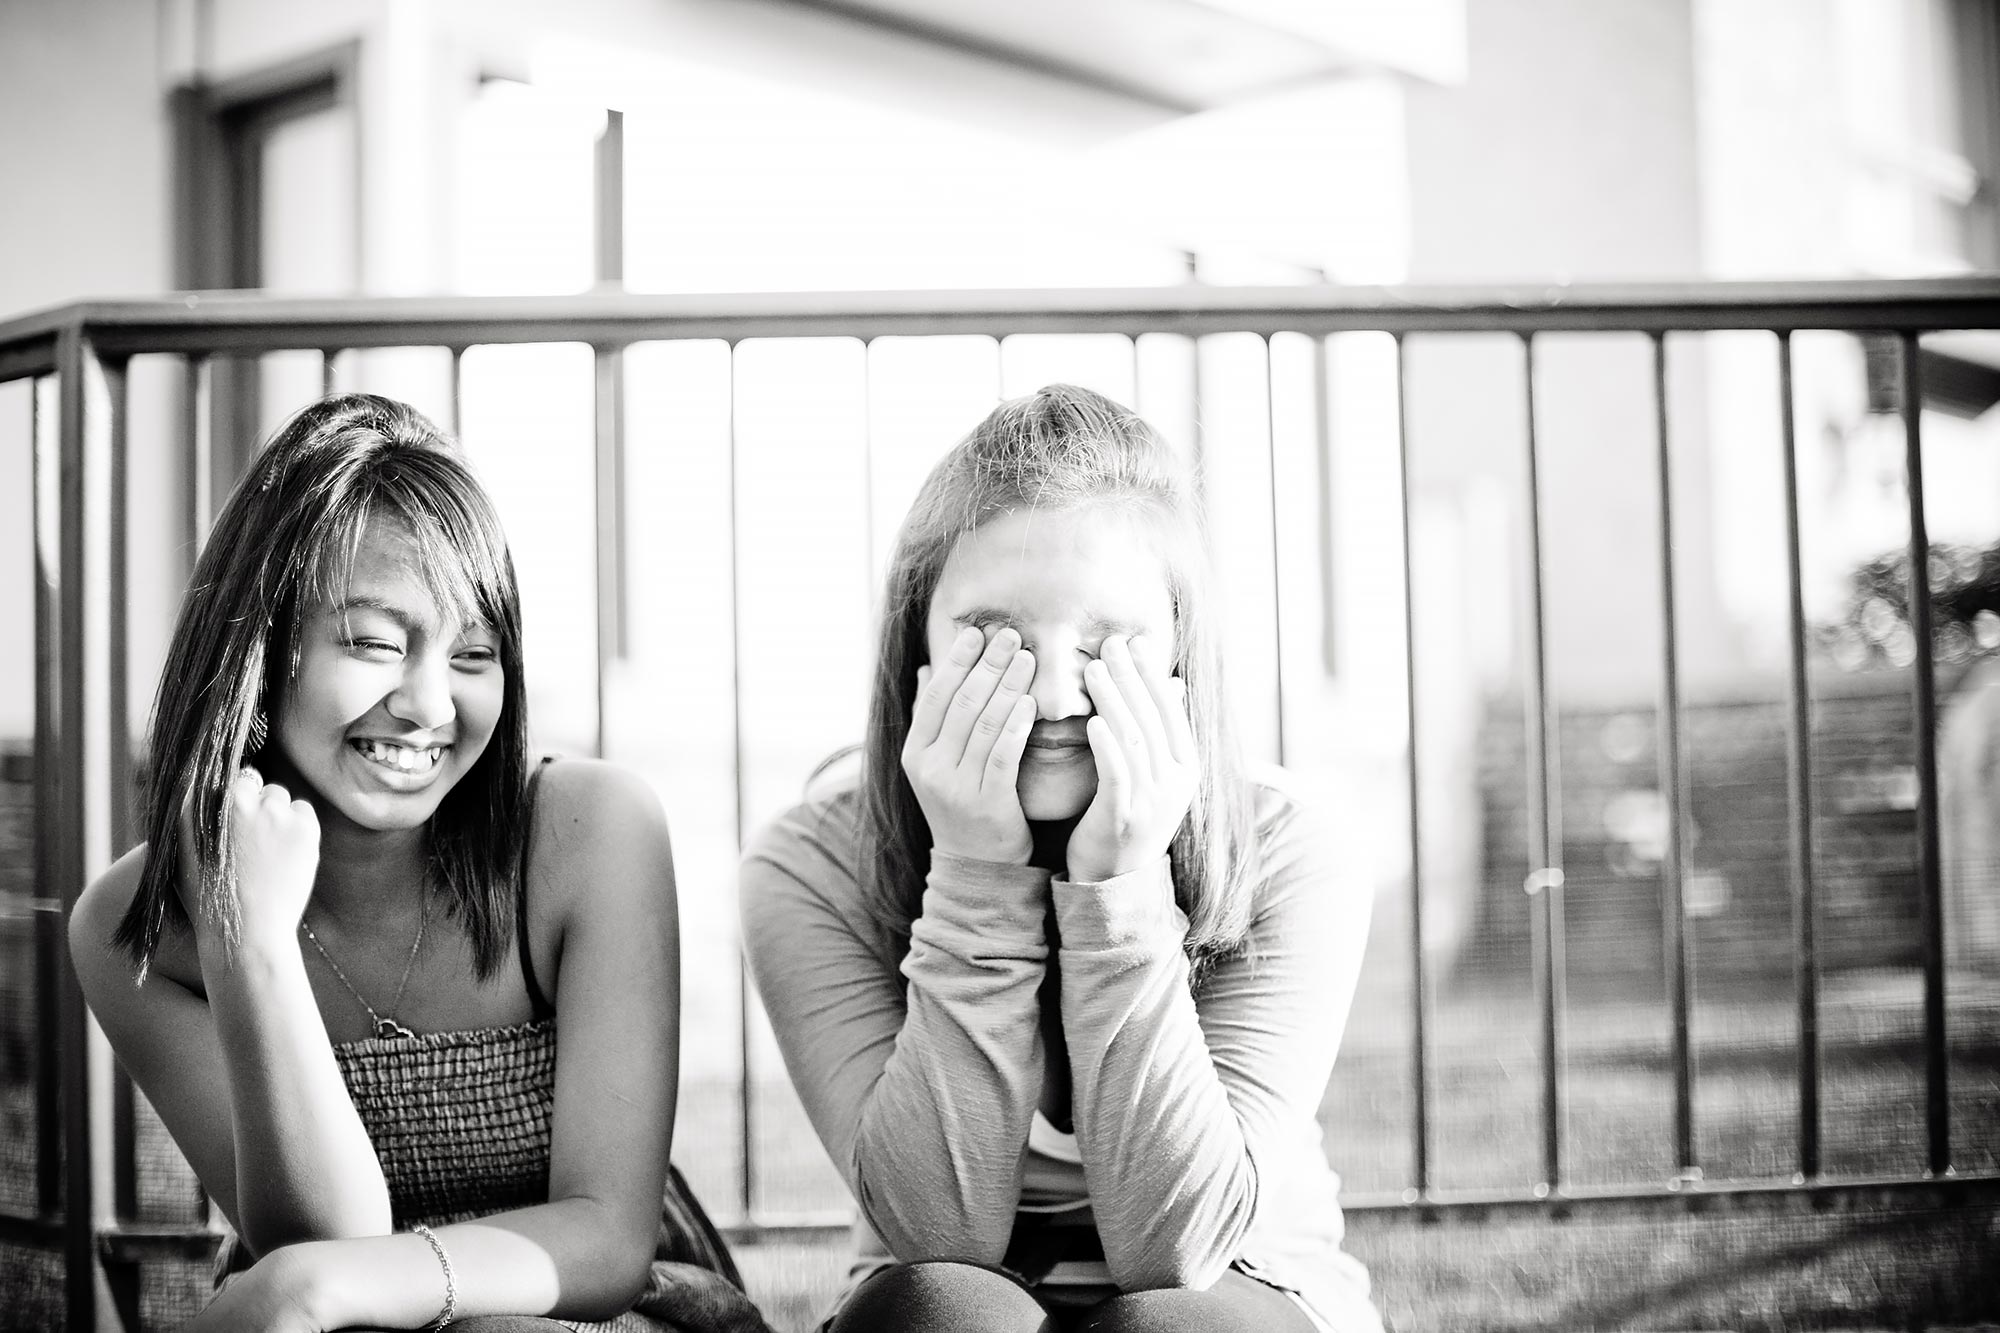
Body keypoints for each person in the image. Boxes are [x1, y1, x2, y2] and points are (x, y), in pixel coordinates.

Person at [69, 394, 770, 1333]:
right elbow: (315, 1236)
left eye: (474, 653)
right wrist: (253, 947)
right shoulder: (132, 930)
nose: (431, 704)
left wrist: (327, 1285)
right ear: (261, 643)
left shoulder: (589, 833)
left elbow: (606, 1242)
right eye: (374, 642)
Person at [740, 384, 1382, 1333]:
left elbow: (1179, 1250)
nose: (1049, 692)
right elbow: (931, 1234)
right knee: (947, 1314)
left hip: (1243, 1287)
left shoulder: (1293, 848)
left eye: (1108, 642)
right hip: (945, 1301)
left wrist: (1120, 887)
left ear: (1178, 658)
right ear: (914, 641)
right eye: (994, 636)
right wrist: (975, 873)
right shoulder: (811, 861)